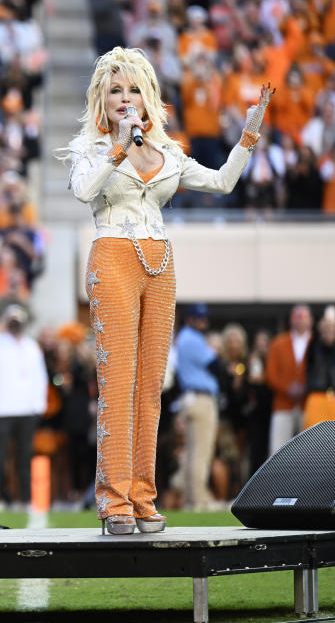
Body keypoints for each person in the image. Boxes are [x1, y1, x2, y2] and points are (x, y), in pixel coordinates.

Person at [64, 47, 272, 534]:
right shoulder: (89, 147)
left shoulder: (168, 151)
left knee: (151, 388)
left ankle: (142, 496)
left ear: (148, 95)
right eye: (115, 89)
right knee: (117, 385)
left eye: (133, 89)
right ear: (101, 96)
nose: (125, 98)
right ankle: (113, 500)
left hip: (160, 260)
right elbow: (83, 191)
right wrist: (117, 144)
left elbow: (222, 183)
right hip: (112, 253)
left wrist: (249, 132)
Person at [0, 304, 48, 512]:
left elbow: (39, 378)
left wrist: (38, 406)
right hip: (2, 409)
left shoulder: (31, 346)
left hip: (26, 410)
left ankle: (25, 500)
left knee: (25, 458)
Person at [174, 304, 220, 511]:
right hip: (201, 397)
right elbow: (215, 364)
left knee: (193, 450)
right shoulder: (192, 338)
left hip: (192, 397)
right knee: (201, 450)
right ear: (189, 320)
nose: (203, 322)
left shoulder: (184, 337)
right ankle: (199, 498)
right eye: (198, 318)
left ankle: (189, 494)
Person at [266, 305, 312, 455]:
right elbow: (271, 374)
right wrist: (287, 388)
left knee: (308, 450)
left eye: (303, 317)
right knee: (278, 449)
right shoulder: (279, 343)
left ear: (310, 320)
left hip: (307, 404)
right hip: (283, 404)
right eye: (296, 317)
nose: (300, 321)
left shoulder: (315, 343)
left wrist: (306, 388)